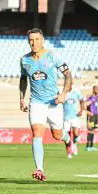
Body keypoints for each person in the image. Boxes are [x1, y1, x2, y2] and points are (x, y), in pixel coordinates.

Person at [19, 28, 71, 182]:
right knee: (36, 133)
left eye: (36, 39)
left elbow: (68, 74)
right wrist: (22, 98)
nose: (33, 43)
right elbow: (23, 80)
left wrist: (63, 94)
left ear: (42, 41)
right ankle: (39, 169)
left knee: (57, 135)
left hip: (53, 102)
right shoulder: (25, 60)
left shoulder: (53, 56)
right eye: (31, 40)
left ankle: (68, 139)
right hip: (36, 102)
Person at [63, 86, 85, 158]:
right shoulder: (63, 93)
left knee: (76, 133)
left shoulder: (76, 92)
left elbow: (82, 101)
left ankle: (74, 144)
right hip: (66, 117)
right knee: (66, 136)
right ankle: (69, 152)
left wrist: (81, 110)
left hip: (75, 116)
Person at [84, 85, 98, 151]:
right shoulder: (91, 97)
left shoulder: (96, 96)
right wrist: (88, 112)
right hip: (91, 116)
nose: (97, 90)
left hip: (95, 116)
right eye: (96, 89)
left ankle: (91, 146)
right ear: (93, 90)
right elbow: (86, 104)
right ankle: (87, 146)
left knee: (93, 130)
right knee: (90, 130)